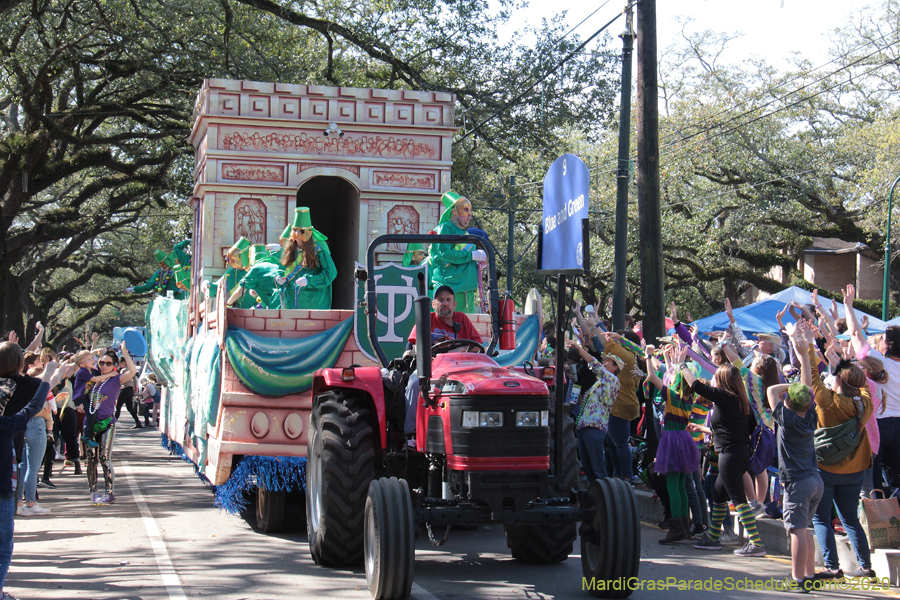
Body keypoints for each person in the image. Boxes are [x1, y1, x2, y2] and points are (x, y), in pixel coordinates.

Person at [806, 287, 876, 581]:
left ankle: (833, 567)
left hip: (825, 468)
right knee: (850, 519)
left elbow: (810, 373)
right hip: (856, 469)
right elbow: (859, 382)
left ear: (837, 381)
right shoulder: (866, 404)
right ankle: (865, 567)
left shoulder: (826, 401)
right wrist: (845, 358)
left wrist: (810, 346)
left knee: (822, 517)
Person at [682, 353, 767, 557]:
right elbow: (742, 429)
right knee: (719, 494)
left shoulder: (725, 397)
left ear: (723, 381)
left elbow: (696, 386)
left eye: (716, 377)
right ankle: (712, 538)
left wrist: (682, 365)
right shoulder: (741, 401)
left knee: (739, 499)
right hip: (736, 453)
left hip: (730, 454)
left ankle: (756, 543)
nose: (713, 380)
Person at [0, 351, 66, 600]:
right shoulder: (7, 424)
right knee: (3, 547)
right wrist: (48, 377)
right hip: (3, 487)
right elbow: (32, 408)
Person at [766, 377, 823, 592]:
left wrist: (791, 387)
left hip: (797, 483)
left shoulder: (786, 418)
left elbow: (771, 390)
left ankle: (797, 578)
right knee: (804, 529)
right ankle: (809, 574)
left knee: (797, 531)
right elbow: (808, 391)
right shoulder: (811, 416)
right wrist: (798, 390)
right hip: (815, 480)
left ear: (788, 401)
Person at [404, 285, 483, 437]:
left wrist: (460, 350)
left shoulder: (462, 319)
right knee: (415, 383)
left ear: (454, 304)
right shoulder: (427, 319)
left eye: (448, 300)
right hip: (432, 367)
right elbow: (416, 346)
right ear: (433, 305)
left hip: (460, 369)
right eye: (440, 300)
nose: (444, 303)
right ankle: (412, 433)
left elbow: (477, 346)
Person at [645, 346, 700, 543]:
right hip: (685, 440)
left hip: (672, 438)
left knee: (672, 486)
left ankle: (676, 525)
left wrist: (649, 355)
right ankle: (684, 525)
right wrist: (675, 362)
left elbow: (652, 376)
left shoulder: (672, 396)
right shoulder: (688, 398)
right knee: (681, 486)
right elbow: (672, 377)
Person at [83, 345, 137, 505]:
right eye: (101, 363)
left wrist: (125, 353)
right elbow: (78, 363)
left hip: (107, 423)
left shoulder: (116, 378)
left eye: (107, 363)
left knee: (104, 458)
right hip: (90, 423)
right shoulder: (92, 377)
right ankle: (93, 491)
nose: (104, 366)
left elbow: (132, 371)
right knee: (91, 458)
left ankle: (110, 492)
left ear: (113, 365)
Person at [565, 339, 621, 483]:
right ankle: (594, 496)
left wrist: (578, 347)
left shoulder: (612, 380)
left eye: (608, 361)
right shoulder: (599, 383)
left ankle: (604, 496)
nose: (604, 362)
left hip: (594, 427)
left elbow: (593, 363)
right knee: (588, 466)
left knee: (597, 467)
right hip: (585, 426)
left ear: (615, 368)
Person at [429, 192, 486, 313]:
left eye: (470, 211)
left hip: (465, 289)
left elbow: (464, 260)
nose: (469, 214)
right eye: (465, 210)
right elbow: (444, 254)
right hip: (450, 290)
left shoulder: (463, 232)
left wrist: (477, 264)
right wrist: (471, 255)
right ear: (454, 211)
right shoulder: (445, 228)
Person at [278, 207, 337, 310]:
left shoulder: (318, 251)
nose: (297, 234)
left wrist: (309, 280)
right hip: (289, 303)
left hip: (311, 304)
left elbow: (331, 272)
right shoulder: (289, 251)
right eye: (295, 230)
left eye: (301, 231)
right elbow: (280, 268)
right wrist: (277, 277)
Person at [227, 245, 282, 309]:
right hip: (289, 300)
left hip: (277, 304)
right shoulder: (273, 264)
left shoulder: (255, 269)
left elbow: (239, 292)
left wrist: (228, 304)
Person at [114, 356, 142, 429]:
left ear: (124, 362)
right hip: (130, 389)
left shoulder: (123, 370)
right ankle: (138, 422)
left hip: (125, 389)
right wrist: (135, 388)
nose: (120, 364)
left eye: (120, 362)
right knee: (130, 407)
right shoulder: (131, 370)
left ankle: (112, 423)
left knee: (118, 406)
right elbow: (135, 379)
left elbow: (120, 380)